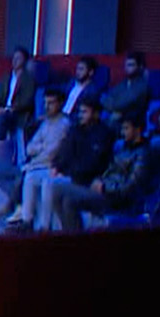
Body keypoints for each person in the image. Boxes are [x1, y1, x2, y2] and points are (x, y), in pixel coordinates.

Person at [52, 113, 155, 231]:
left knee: (70, 201)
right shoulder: (122, 149)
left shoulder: (144, 155)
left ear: (138, 130)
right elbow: (109, 170)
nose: (123, 132)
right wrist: (99, 180)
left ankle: (76, 238)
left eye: (126, 128)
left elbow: (132, 186)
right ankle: (67, 232)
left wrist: (105, 187)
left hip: (114, 197)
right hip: (103, 188)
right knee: (56, 189)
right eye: (122, 128)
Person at [0, 88, 70, 228]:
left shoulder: (64, 125)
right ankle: (16, 204)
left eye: (51, 103)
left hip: (47, 166)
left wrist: (35, 158)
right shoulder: (46, 123)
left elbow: (51, 154)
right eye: (45, 103)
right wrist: (41, 147)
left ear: (61, 104)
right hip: (35, 163)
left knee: (24, 175)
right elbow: (30, 148)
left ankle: (16, 209)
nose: (46, 107)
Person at [39, 95, 115, 231]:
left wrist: (68, 171)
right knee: (44, 183)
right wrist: (58, 167)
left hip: (90, 181)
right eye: (80, 112)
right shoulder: (76, 130)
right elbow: (65, 152)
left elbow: (94, 164)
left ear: (96, 114)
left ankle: (55, 230)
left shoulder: (104, 134)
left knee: (60, 193)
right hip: (73, 175)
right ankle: (63, 229)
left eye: (85, 112)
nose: (80, 115)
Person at [101, 51, 149, 126]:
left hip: (132, 122)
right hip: (116, 118)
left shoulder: (142, 86)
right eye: (126, 65)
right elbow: (106, 99)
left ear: (140, 67)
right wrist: (115, 110)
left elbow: (124, 103)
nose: (127, 68)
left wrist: (116, 109)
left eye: (131, 65)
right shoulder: (123, 83)